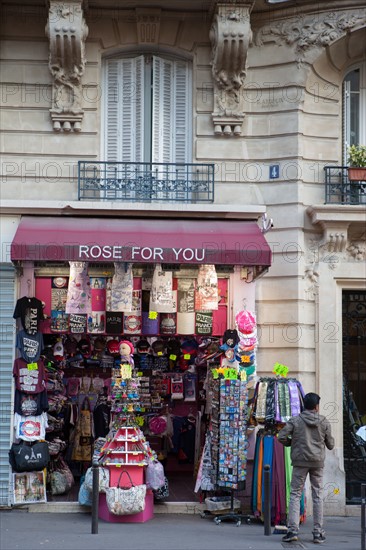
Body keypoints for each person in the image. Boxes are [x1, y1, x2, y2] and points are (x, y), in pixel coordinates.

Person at [278, 392, 335, 544]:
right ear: (317, 406)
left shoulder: (296, 420)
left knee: (295, 494)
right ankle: (317, 533)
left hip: (300, 461)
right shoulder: (324, 421)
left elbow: (281, 436)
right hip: (317, 462)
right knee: (317, 495)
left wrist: (292, 444)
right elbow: (331, 445)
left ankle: (292, 531)